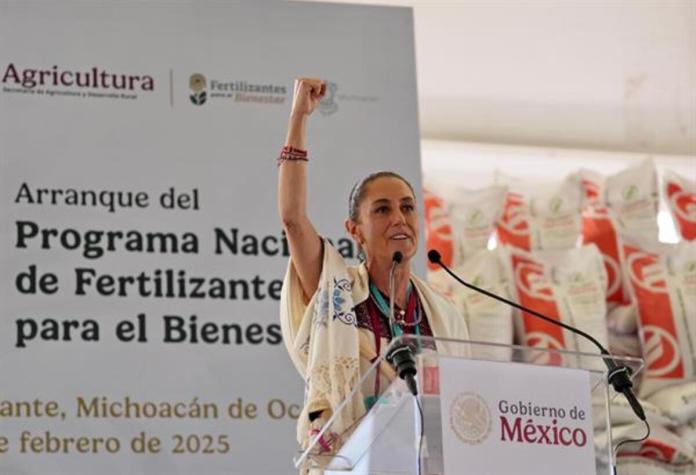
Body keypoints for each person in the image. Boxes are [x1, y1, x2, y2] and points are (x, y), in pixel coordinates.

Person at [278, 78, 470, 463]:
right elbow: (294, 219)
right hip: (351, 463)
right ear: (355, 231)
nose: (398, 218)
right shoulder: (337, 289)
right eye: (382, 209)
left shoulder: (443, 313)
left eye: (407, 207)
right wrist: (299, 117)